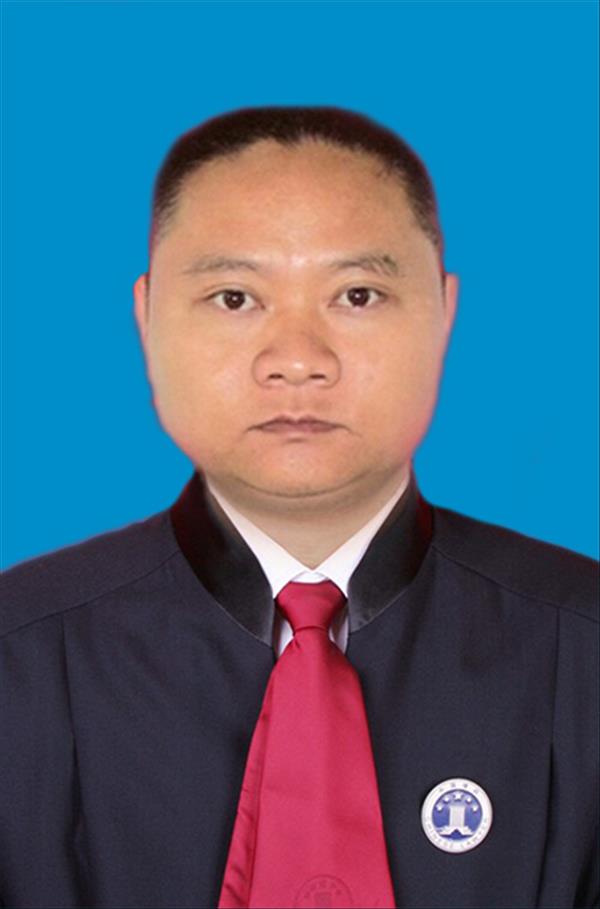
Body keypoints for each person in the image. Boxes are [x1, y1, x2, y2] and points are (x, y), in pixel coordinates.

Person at [1, 105, 598, 909]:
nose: (296, 360)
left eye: (357, 294)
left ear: (444, 312)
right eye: (234, 297)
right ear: (146, 318)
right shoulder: (15, 659)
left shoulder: (586, 649)